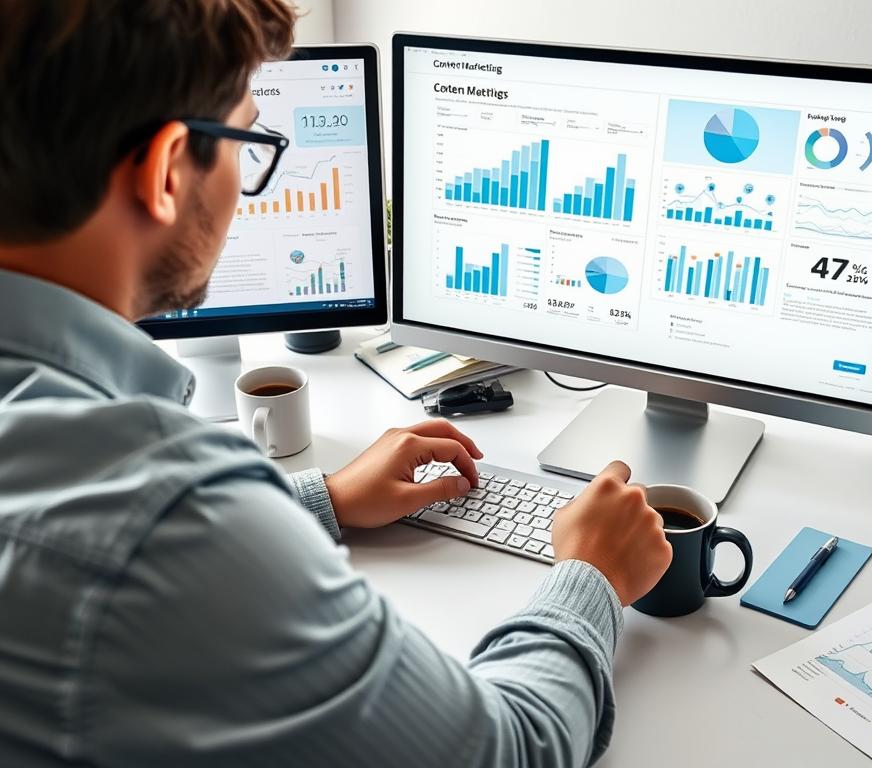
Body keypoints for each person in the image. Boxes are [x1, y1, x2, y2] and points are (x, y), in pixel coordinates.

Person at [0, 2, 672, 766]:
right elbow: (507, 751)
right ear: (164, 171)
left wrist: (321, 498)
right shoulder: (166, 512)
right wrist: (591, 575)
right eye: (247, 142)